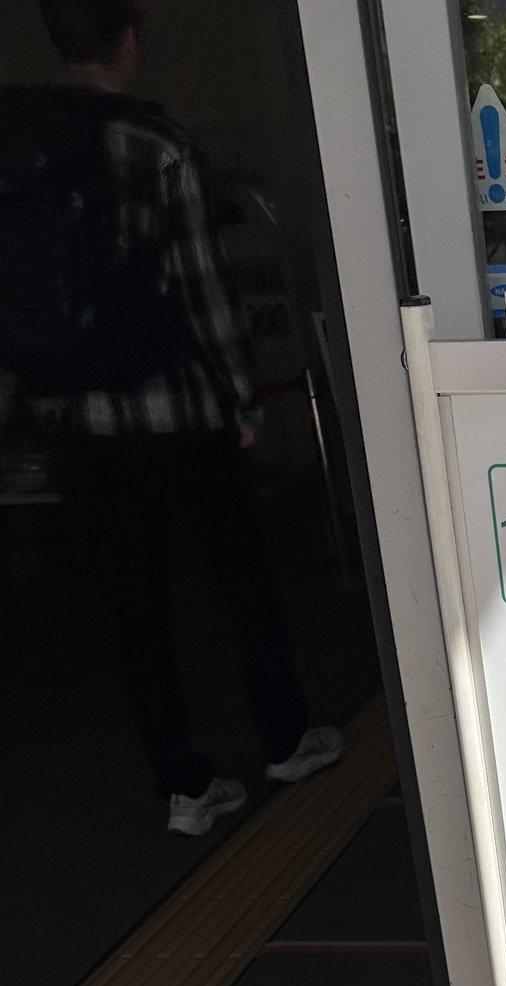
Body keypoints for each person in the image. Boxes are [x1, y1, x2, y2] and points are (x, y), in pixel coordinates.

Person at [0, 0, 342, 837]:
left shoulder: (19, 145)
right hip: (176, 412)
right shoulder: (158, 148)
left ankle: (184, 787)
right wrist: (240, 398)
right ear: (129, 40)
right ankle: (285, 738)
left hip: (76, 420)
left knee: (134, 602)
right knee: (240, 577)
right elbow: (204, 291)